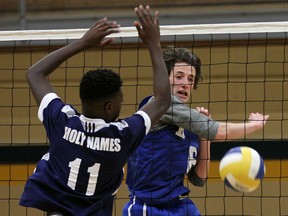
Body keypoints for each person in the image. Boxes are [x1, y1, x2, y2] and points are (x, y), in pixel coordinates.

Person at [19, 5, 171, 216]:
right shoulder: (122, 136)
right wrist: (154, 44)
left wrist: (83, 42)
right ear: (109, 107)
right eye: (121, 99)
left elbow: (35, 74)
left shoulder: (61, 121)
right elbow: (163, 99)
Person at [123, 47, 269, 215]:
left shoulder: (190, 122)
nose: (185, 83)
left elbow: (199, 178)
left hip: (180, 206)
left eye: (190, 79)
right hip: (148, 207)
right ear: (164, 79)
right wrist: (252, 125)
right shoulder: (159, 104)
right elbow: (218, 131)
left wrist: (203, 136)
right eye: (179, 76)